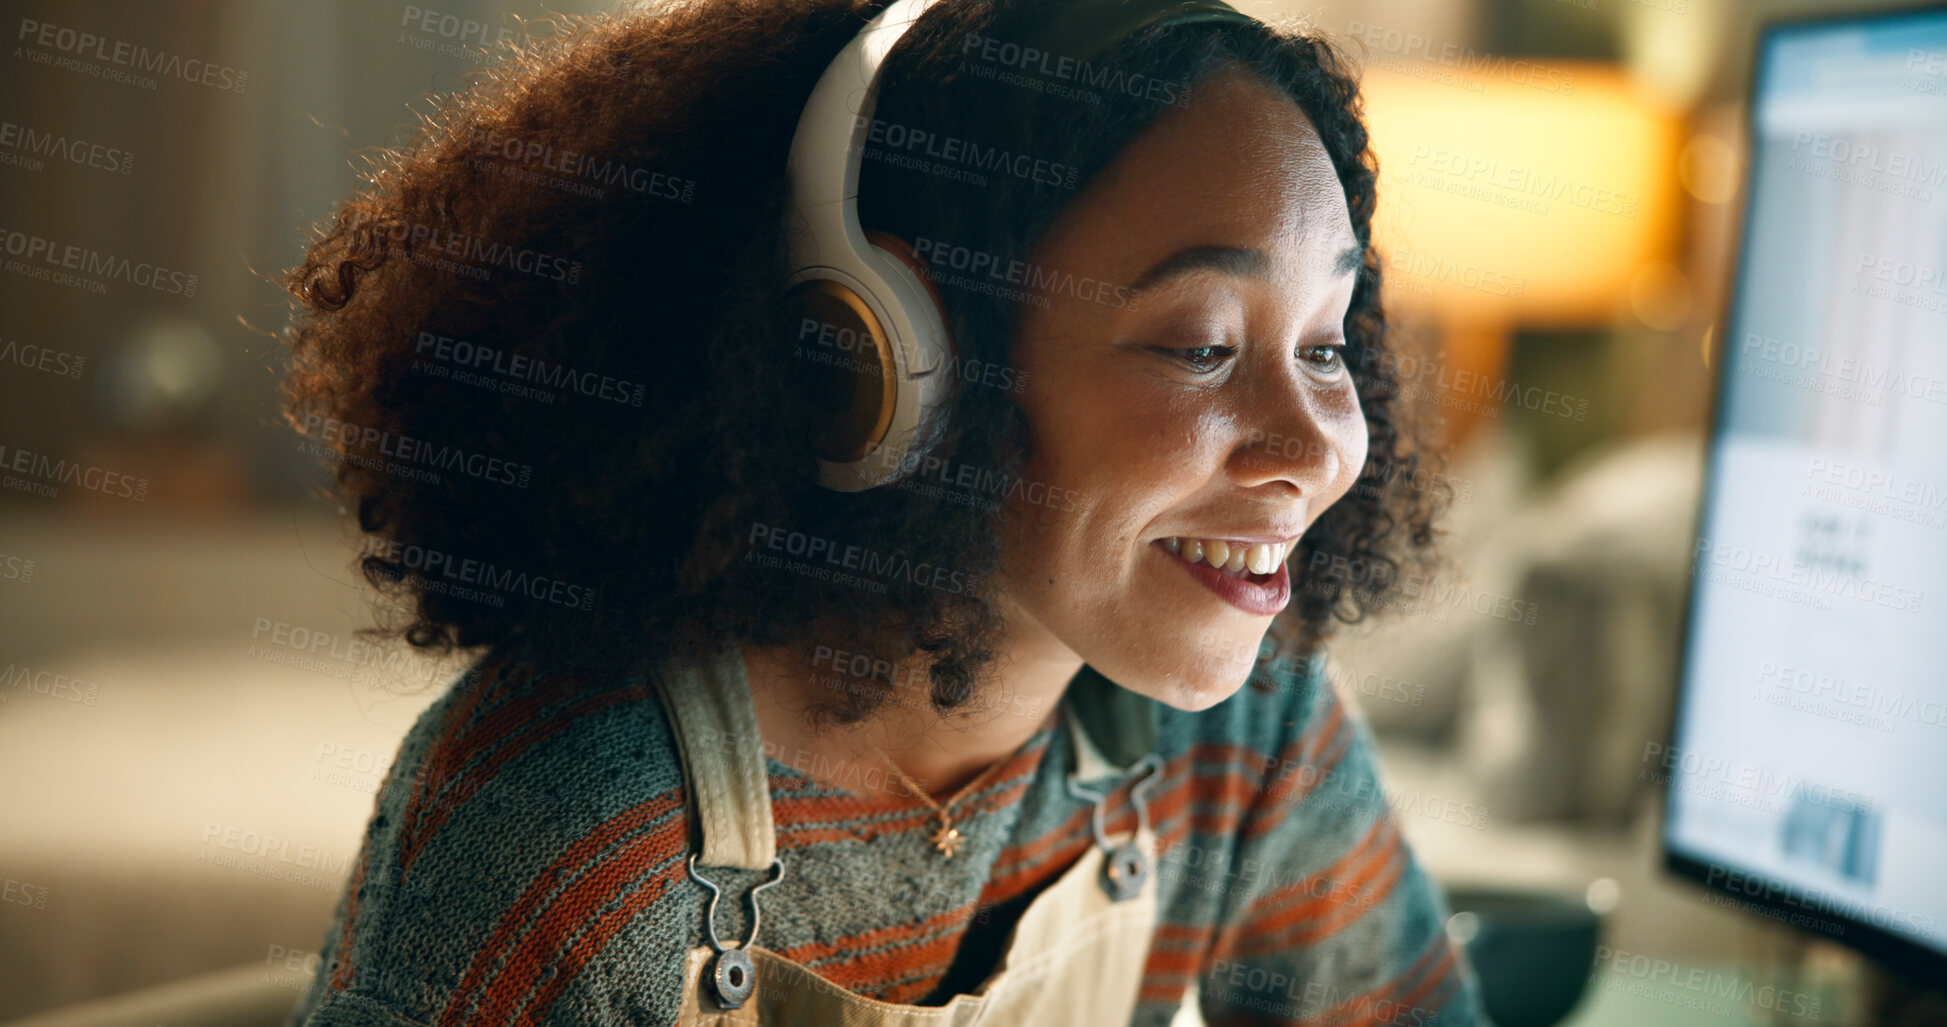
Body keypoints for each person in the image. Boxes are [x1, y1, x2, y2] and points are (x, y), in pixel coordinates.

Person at [280, 0, 1485, 1023]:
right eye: (1201, 345)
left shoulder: (1250, 736)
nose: (1318, 444)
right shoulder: (574, 835)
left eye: (1327, 348)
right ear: (892, 360)